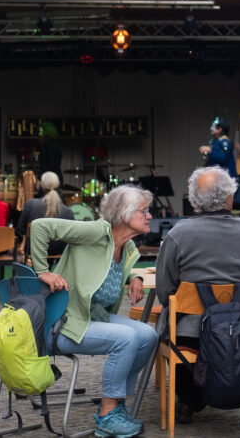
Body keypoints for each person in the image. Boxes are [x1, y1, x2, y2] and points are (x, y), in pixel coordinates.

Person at [31, 184, 158, 438]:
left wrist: (134, 277)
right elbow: (39, 227)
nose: (150, 216)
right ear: (124, 215)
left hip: (91, 317)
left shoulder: (128, 247)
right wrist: (42, 271)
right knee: (127, 338)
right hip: (63, 324)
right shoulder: (95, 231)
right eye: (144, 211)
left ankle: (115, 402)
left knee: (148, 335)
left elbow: (107, 269)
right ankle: (107, 415)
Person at [156, 166, 240, 423]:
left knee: (173, 322)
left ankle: (189, 399)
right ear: (229, 198)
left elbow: (164, 291)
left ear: (194, 201)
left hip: (190, 334)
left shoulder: (178, 234)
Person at [17, 171, 75, 261]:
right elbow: (72, 237)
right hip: (58, 253)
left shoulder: (31, 204)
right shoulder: (68, 211)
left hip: (34, 251)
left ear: (42, 186)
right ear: (58, 186)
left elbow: (21, 230)